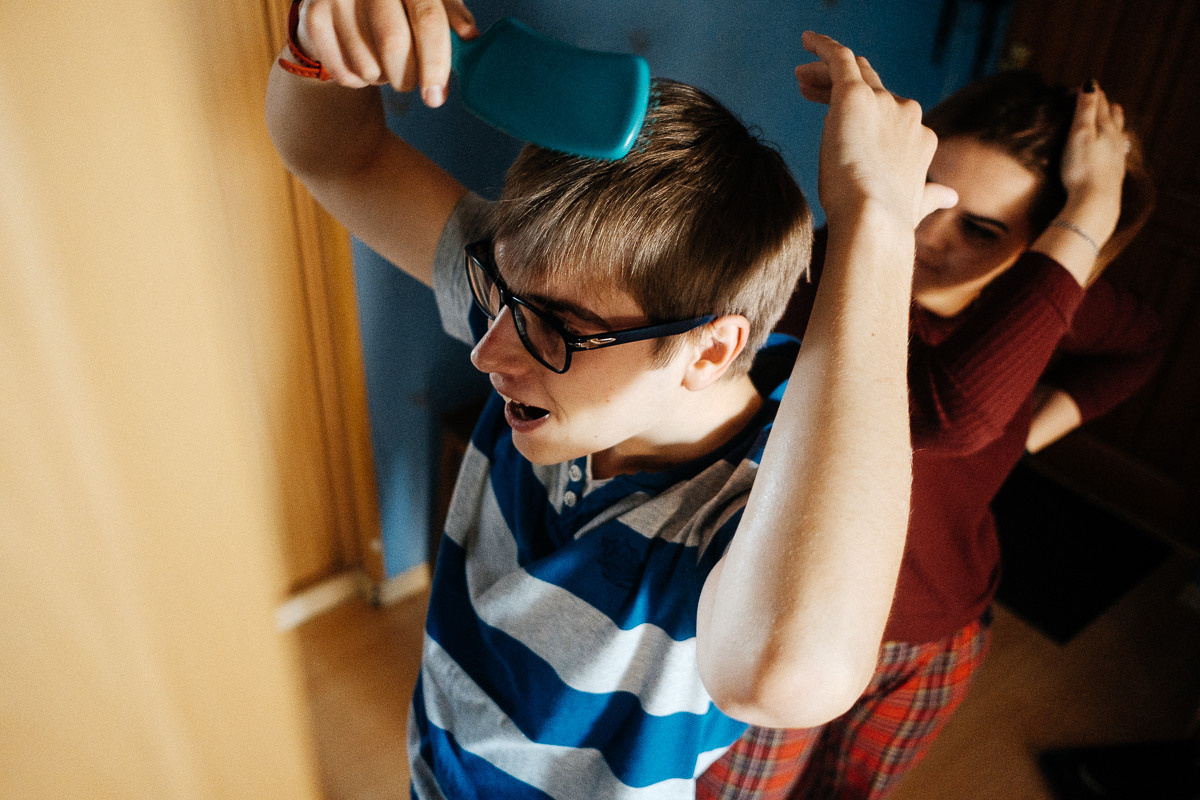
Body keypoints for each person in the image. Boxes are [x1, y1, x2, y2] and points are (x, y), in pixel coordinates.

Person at [266, 1, 959, 796]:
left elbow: (789, 674)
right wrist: (318, 46)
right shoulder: (526, 318)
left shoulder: (759, 503)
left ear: (709, 350)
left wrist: (875, 224)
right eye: (502, 294)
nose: (491, 352)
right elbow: (336, 156)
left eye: (561, 326)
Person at [698, 71, 1163, 800]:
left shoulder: (1043, 310)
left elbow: (1142, 344)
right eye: (927, 192)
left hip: (937, 632)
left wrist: (1033, 431)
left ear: (1044, 249)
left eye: (980, 229)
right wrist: (1092, 210)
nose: (925, 234)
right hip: (787, 623)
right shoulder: (809, 279)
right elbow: (950, 415)